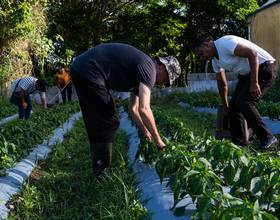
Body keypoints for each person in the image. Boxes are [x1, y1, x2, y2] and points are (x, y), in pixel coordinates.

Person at [71, 43, 181, 177]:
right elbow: (144, 109)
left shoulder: (142, 71)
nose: (162, 84)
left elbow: (133, 109)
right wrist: (158, 141)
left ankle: (99, 166)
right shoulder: (149, 69)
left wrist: (146, 132)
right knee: (108, 120)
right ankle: (102, 171)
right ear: (162, 66)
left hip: (81, 68)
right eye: (166, 79)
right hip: (89, 69)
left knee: (97, 119)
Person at [194, 35, 278, 150]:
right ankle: (240, 144)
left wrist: (254, 83)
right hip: (247, 75)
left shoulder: (225, 43)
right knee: (233, 107)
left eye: (201, 53)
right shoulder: (215, 61)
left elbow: (252, 54)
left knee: (245, 102)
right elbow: (222, 84)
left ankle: (268, 138)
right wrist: (225, 105)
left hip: (264, 67)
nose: (201, 57)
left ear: (207, 44)